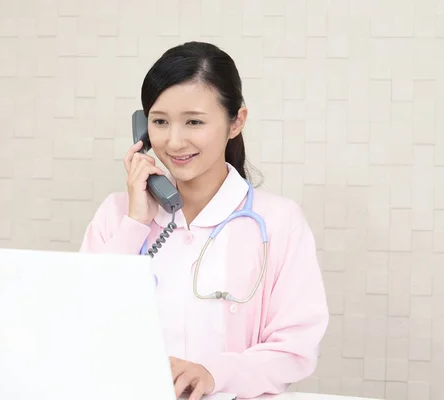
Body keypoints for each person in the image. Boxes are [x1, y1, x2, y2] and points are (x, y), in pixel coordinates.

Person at [79, 41, 329, 400]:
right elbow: (82, 321)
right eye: (160, 122)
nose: (175, 141)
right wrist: (135, 223)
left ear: (235, 122)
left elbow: (294, 348)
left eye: (194, 121)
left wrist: (214, 374)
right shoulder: (116, 215)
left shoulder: (278, 222)